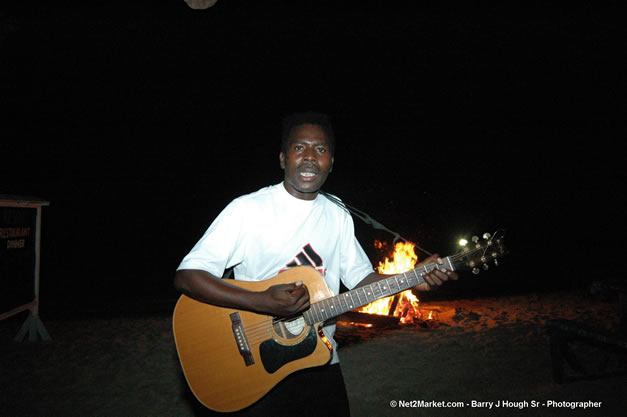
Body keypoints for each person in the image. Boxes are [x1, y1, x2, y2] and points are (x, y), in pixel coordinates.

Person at [174, 111, 458, 416]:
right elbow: (188, 276)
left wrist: (412, 278)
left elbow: (362, 280)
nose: (310, 157)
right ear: (283, 158)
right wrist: (261, 301)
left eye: (320, 150)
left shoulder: (338, 216)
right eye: (300, 148)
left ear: (331, 162)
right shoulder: (248, 210)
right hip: (256, 367)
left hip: (319, 361)